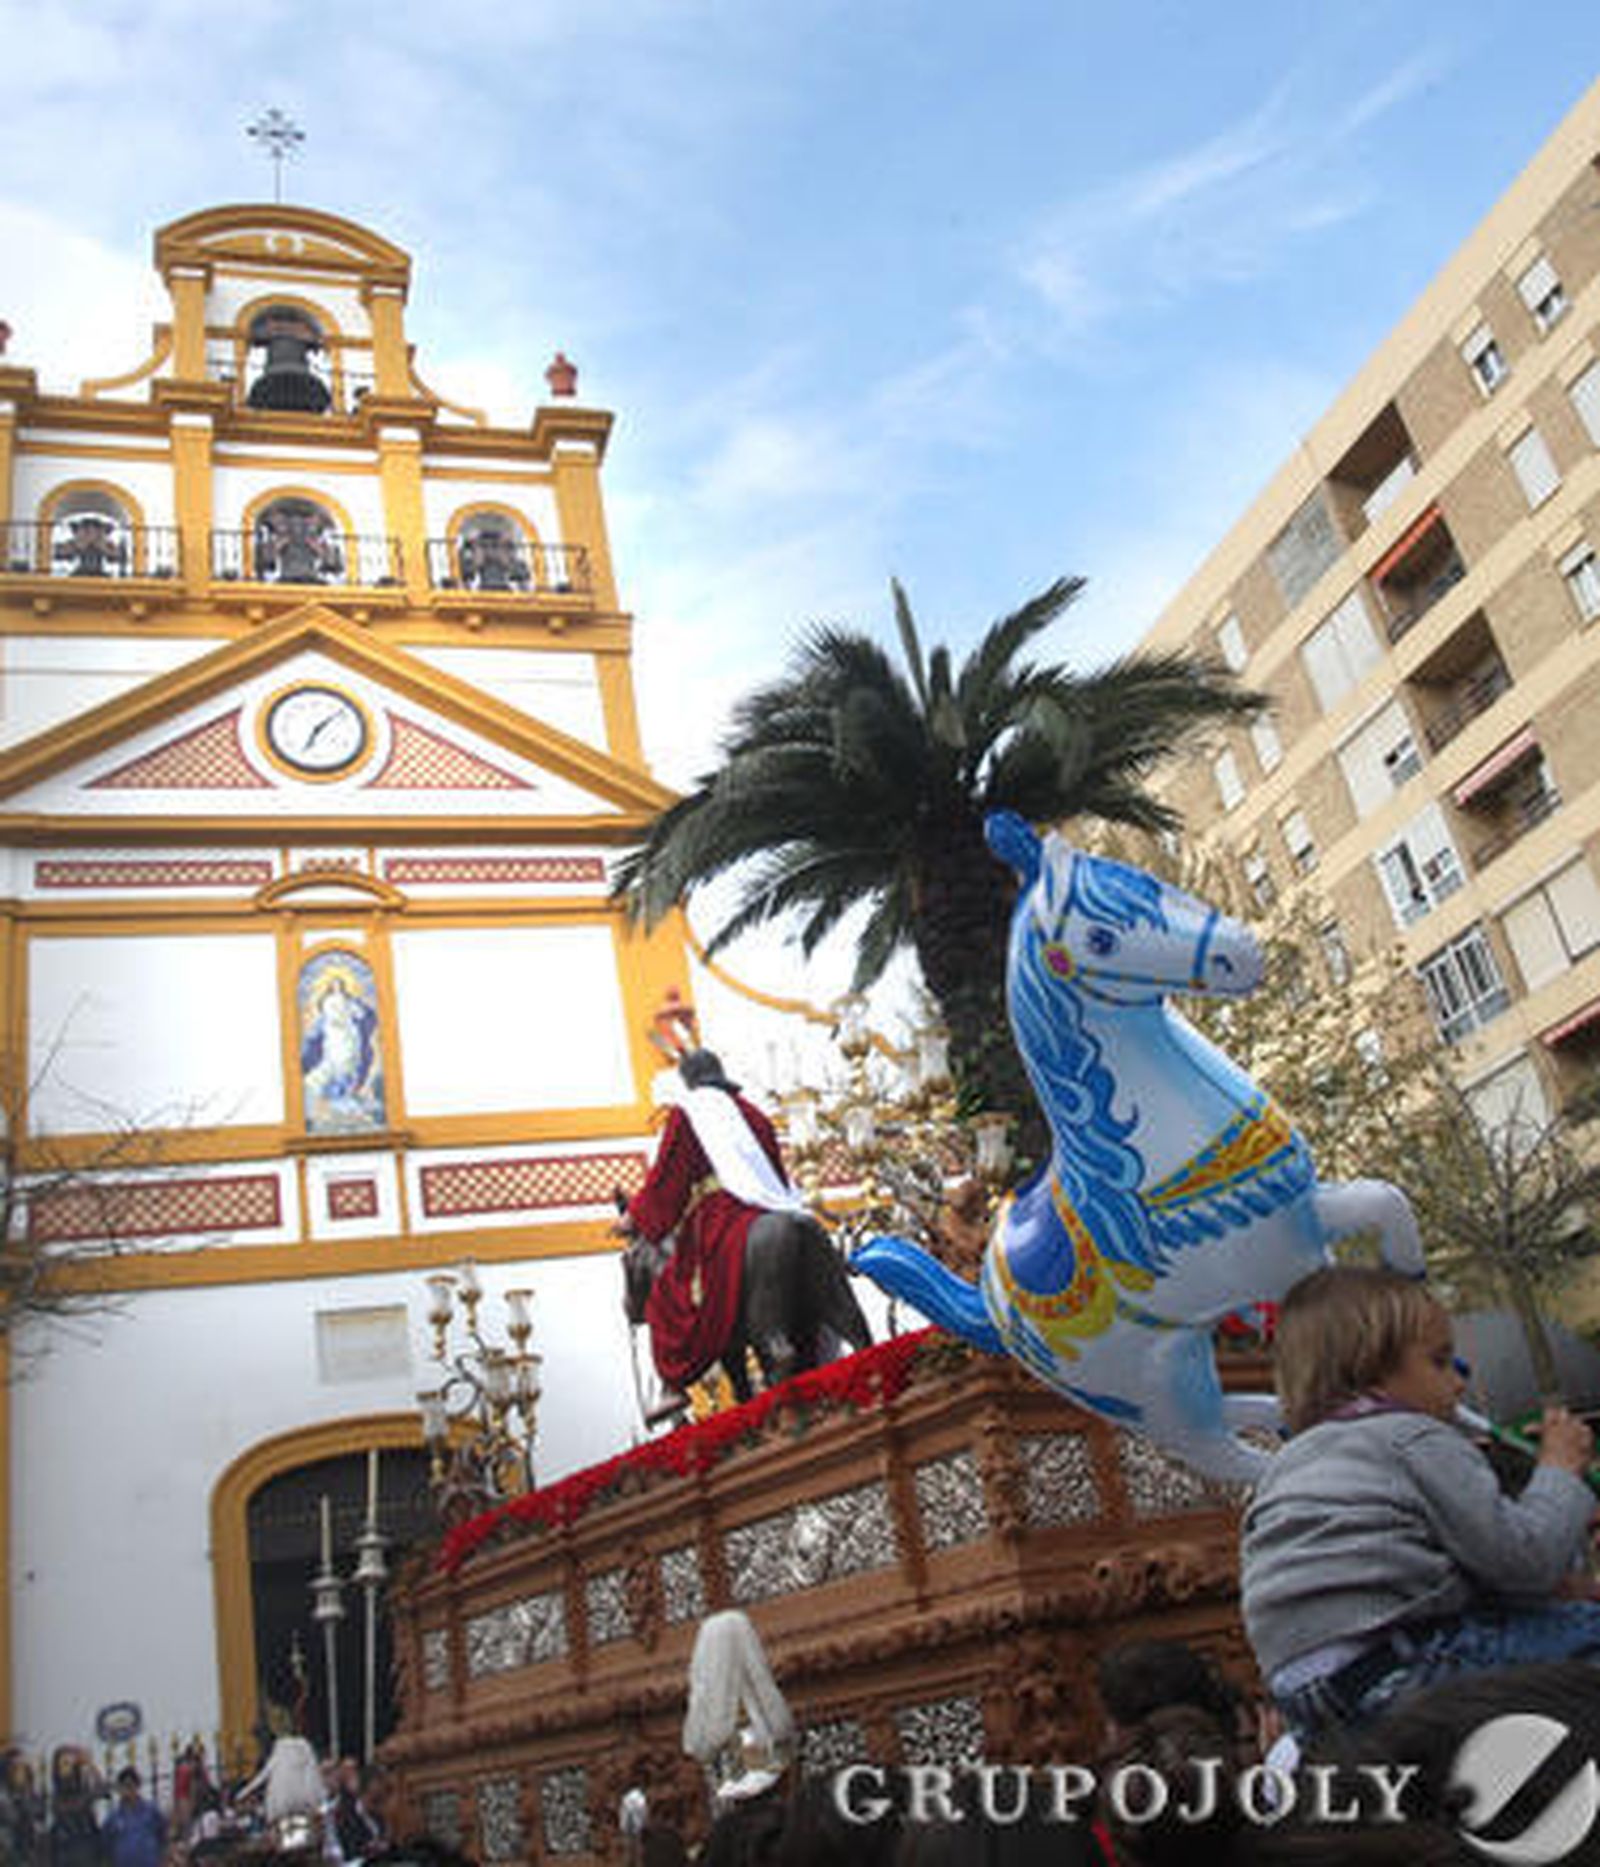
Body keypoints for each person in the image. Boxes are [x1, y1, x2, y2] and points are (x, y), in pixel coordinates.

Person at [1241, 1264, 1600, 1744]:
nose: (1457, 1382)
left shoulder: (1286, 1467)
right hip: (1401, 1665)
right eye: (1440, 1361)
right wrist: (1560, 1467)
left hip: (1303, 1697)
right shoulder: (1413, 1437)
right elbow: (1526, 1558)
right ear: (1369, 1367)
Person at [620, 1050, 808, 1406]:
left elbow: (669, 1181)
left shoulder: (688, 1112)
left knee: (668, 1295)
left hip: (722, 1212)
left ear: (689, 1081)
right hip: (774, 1206)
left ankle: (674, 1389)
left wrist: (634, 1218)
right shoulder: (755, 1115)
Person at [100, 1770, 165, 1867]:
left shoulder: (151, 1811)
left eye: (130, 1786)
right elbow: (106, 1845)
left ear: (137, 1786)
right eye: (124, 1786)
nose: (127, 1790)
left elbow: (163, 1835)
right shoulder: (113, 1817)